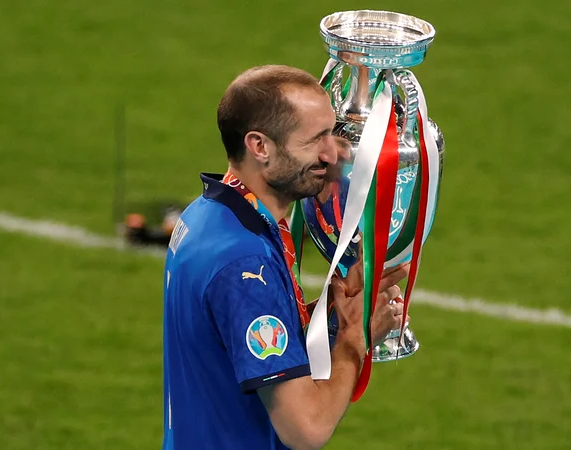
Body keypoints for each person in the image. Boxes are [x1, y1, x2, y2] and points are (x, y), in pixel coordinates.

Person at [161, 65, 409, 450]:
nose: (335, 153)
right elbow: (306, 429)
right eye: (316, 139)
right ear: (260, 146)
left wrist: (332, 309)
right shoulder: (245, 266)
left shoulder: (211, 214)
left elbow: (240, 339)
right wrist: (353, 338)